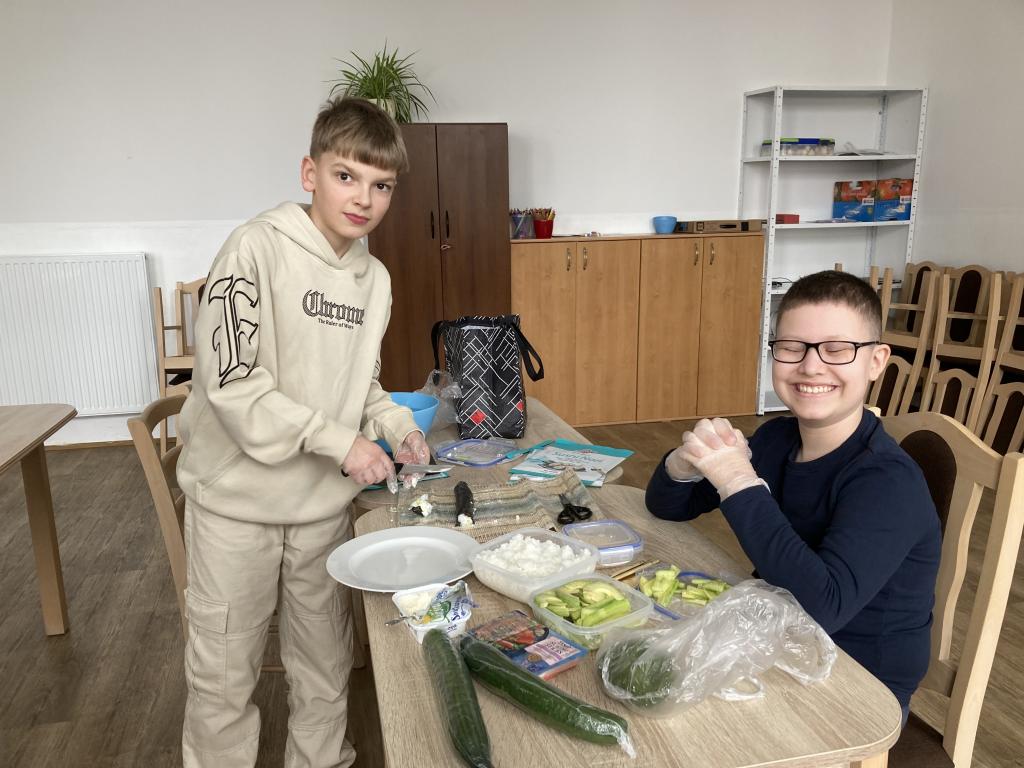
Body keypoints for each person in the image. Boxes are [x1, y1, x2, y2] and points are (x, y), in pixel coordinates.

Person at [175, 97, 430, 768]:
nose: (364, 199)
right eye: (347, 176)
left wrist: (397, 426)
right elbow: (232, 383)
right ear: (310, 173)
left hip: (320, 507)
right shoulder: (254, 248)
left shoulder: (374, 280)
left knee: (324, 662)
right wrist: (342, 443)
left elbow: (359, 384)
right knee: (223, 674)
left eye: (382, 186)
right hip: (236, 506)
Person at [646, 270, 940, 726]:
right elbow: (667, 506)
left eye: (837, 349)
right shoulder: (776, 439)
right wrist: (683, 464)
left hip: (860, 689)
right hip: (778, 645)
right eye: (792, 347)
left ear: (876, 361)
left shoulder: (888, 481)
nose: (811, 366)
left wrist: (738, 480)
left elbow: (823, 608)